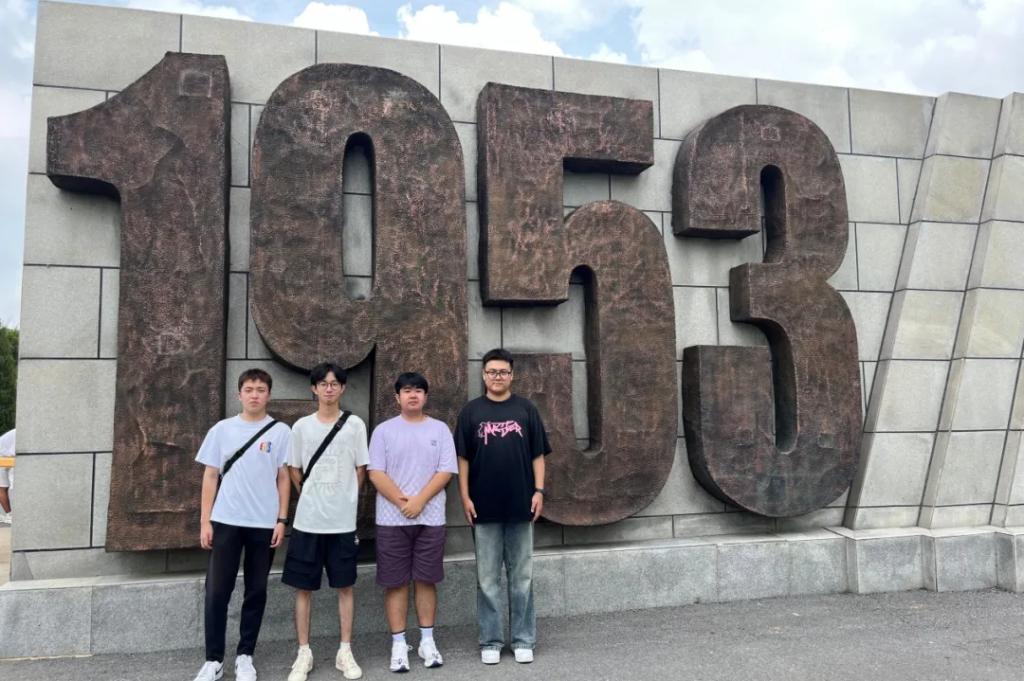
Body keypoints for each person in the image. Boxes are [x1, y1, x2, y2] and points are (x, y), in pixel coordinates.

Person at [193, 369, 292, 681]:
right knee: (217, 591)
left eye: (260, 389)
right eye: (249, 389)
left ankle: (245, 655)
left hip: (263, 523)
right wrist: (205, 521)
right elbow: (210, 476)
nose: (254, 395)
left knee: (256, 590)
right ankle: (213, 660)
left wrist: (281, 519)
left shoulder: (280, 432)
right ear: (239, 394)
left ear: (268, 395)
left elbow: (283, 477)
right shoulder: (222, 430)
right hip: (226, 520)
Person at [456, 348, 550, 665]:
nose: (498, 377)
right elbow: (463, 459)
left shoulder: (526, 409)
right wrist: (465, 496)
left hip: (521, 504)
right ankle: (491, 641)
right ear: (483, 375)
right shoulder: (471, 412)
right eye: (492, 372)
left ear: (512, 375)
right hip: (483, 507)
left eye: (503, 372)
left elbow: (538, 454)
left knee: (522, 578)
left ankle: (523, 639)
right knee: (487, 580)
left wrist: (539, 491)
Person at [283, 362, 369, 681]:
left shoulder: (355, 425)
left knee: (344, 586)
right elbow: (294, 468)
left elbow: (361, 468)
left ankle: (344, 650)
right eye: (323, 383)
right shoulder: (301, 427)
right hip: (308, 522)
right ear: (314, 388)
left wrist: (346, 498)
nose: (329, 388)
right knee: (303, 588)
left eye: (334, 383)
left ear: (343, 388)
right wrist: (309, 495)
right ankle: (303, 652)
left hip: (342, 523)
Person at [368, 372, 458, 673]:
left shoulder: (440, 429)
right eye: (407, 390)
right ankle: (398, 644)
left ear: (425, 396)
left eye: (419, 390)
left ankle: (427, 641)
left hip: (431, 517)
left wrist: (419, 501)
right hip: (391, 520)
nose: (413, 395)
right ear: (397, 397)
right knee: (395, 582)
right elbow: (375, 472)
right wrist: (403, 502)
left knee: (426, 579)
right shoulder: (383, 431)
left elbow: (446, 471)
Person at [0, 428, 14, 524]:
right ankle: (10, 515)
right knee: (3, 488)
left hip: (6, 456)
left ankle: (9, 515)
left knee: (2, 488)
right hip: (5, 457)